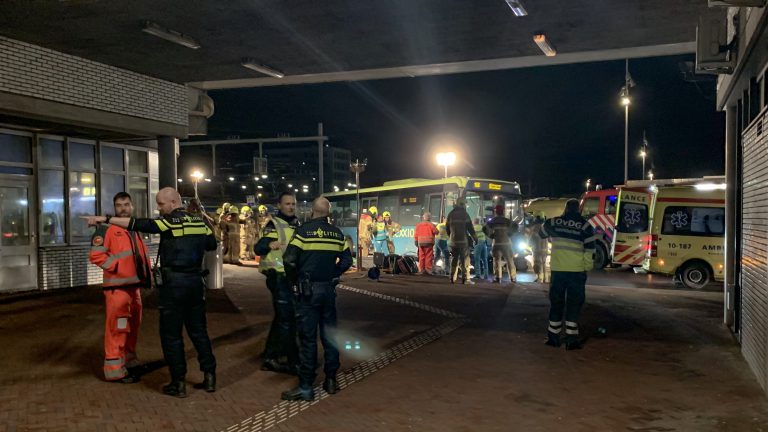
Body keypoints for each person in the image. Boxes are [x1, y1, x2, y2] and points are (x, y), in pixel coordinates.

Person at [83, 187, 218, 397]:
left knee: (171, 335)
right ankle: (210, 376)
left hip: (174, 285)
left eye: (161, 204)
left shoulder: (167, 223)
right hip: (195, 282)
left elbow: (141, 223)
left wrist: (104, 218)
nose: (159, 208)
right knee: (199, 332)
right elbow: (211, 244)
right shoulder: (199, 223)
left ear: (173, 202)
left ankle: (178, 382)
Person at [281, 197, 353, 401]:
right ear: (328, 213)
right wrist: (333, 273)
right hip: (328, 291)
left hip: (307, 292)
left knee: (308, 339)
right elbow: (348, 259)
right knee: (330, 335)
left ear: (312, 210)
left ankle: (306, 386)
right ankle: (331, 380)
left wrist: (294, 282)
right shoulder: (337, 233)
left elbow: (289, 260)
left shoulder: (303, 232)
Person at [88, 192, 151, 384]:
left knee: (132, 326)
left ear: (132, 206)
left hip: (134, 288)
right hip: (118, 289)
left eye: (126, 204)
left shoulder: (134, 228)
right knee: (118, 328)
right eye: (119, 205)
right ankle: (114, 370)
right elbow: (96, 256)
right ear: (114, 208)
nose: (123, 208)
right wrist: (118, 268)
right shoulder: (106, 230)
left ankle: (129, 361)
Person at [539, 199, 595, 351]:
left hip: (558, 271)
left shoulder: (554, 222)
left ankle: (553, 338)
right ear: (578, 210)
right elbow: (590, 250)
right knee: (574, 304)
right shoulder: (585, 226)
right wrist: (586, 268)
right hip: (576, 272)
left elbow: (541, 233)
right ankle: (571, 340)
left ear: (565, 209)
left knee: (556, 303)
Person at [254, 192, 300, 373]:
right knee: (287, 319)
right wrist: (268, 244)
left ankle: (271, 356)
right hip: (277, 276)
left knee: (283, 318)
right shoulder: (274, 224)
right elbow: (258, 247)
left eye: (293, 204)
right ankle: (292, 360)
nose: (291, 207)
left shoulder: (296, 225)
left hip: (289, 276)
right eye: (287, 204)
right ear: (279, 205)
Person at [446, 198, 477, 284]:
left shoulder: (450, 214)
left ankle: (452, 278)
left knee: (454, 259)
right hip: (463, 242)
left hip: (453, 242)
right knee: (465, 260)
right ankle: (465, 279)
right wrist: (475, 238)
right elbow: (470, 228)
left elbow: (447, 229)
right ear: (462, 204)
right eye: (464, 204)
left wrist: (451, 237)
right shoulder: (465, 214)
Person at [485, 205, 516, 283]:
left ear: (496, 211)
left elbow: (484, 228)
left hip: (497, 243)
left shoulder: (493, 221)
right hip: (506, 243)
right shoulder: (507, 220)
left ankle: (498, 278)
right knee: (509, 260)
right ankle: (513, 278)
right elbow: (516, 226)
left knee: (497, 260)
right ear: (503, 211)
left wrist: (491, 236)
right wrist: (510, 234)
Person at [529, 212, 549, 282]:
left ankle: (539, 278)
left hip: (537, 250)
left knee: (537, 264)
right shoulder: (546, 227)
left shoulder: (535, 228)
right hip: (544, 249)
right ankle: (545, 279)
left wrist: (529, 244)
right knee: (544, 264)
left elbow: (531, 240)